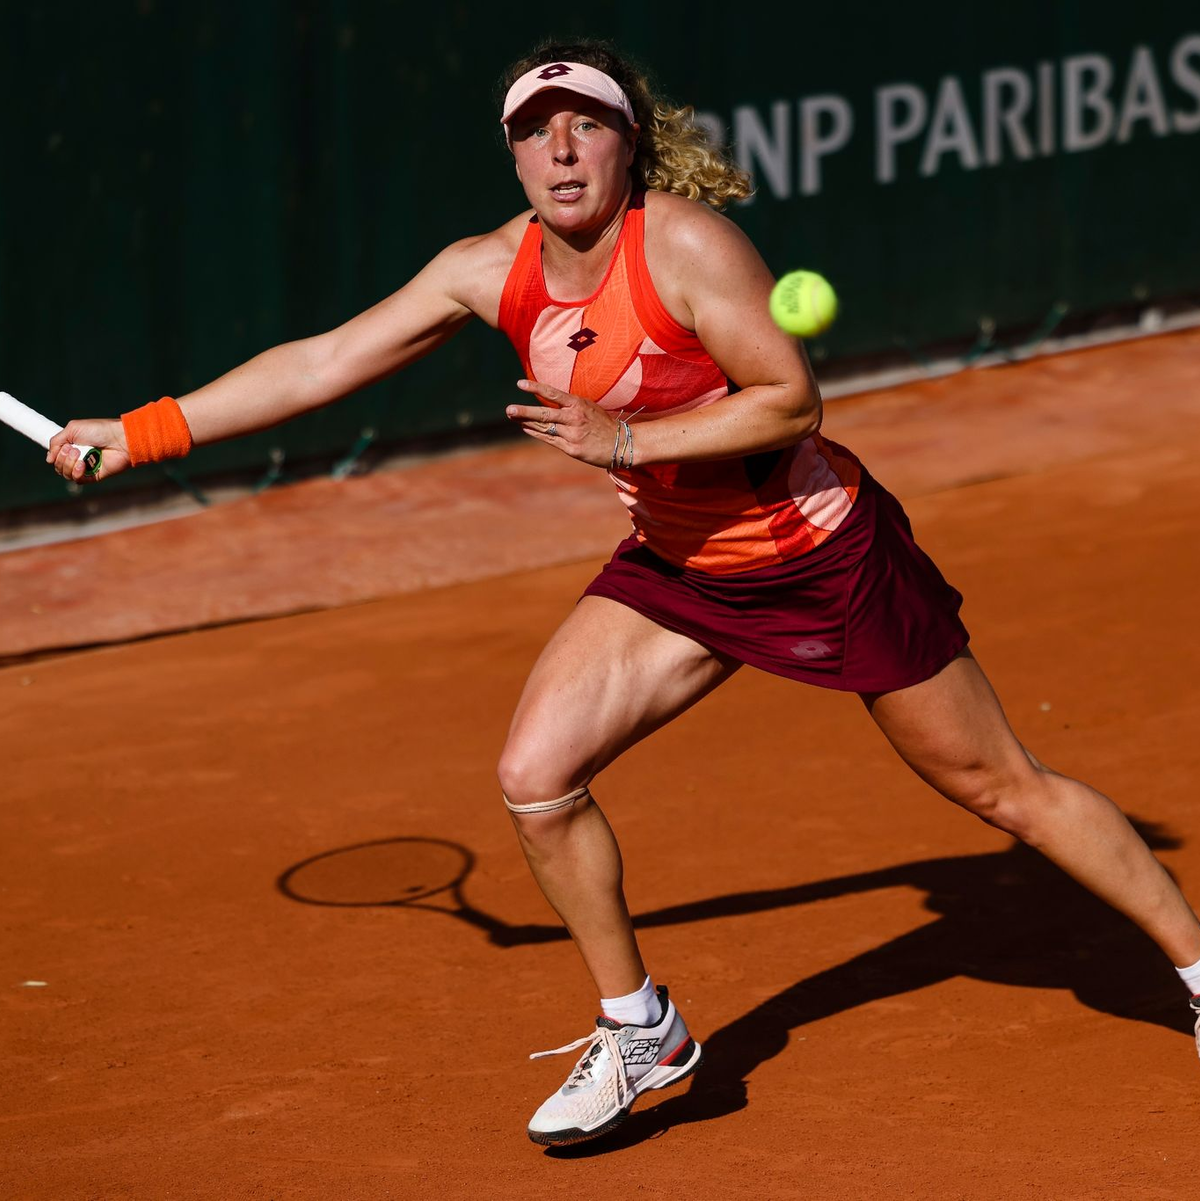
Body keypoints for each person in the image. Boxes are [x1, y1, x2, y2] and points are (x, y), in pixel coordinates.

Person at [49, 38, 1200, 1148]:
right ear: (510, 157)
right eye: (534, 134)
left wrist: (624, 438)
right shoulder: (481, 267)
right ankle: (639, 1028)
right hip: (678, 568)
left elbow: (791, 402)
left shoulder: (692, 248)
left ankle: (1195, 967)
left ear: (627, 146)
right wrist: (144, 434)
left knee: (1001, 788)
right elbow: (324, 359)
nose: (559, 151)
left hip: (821, 556)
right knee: (535, 776)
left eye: (584, 128)